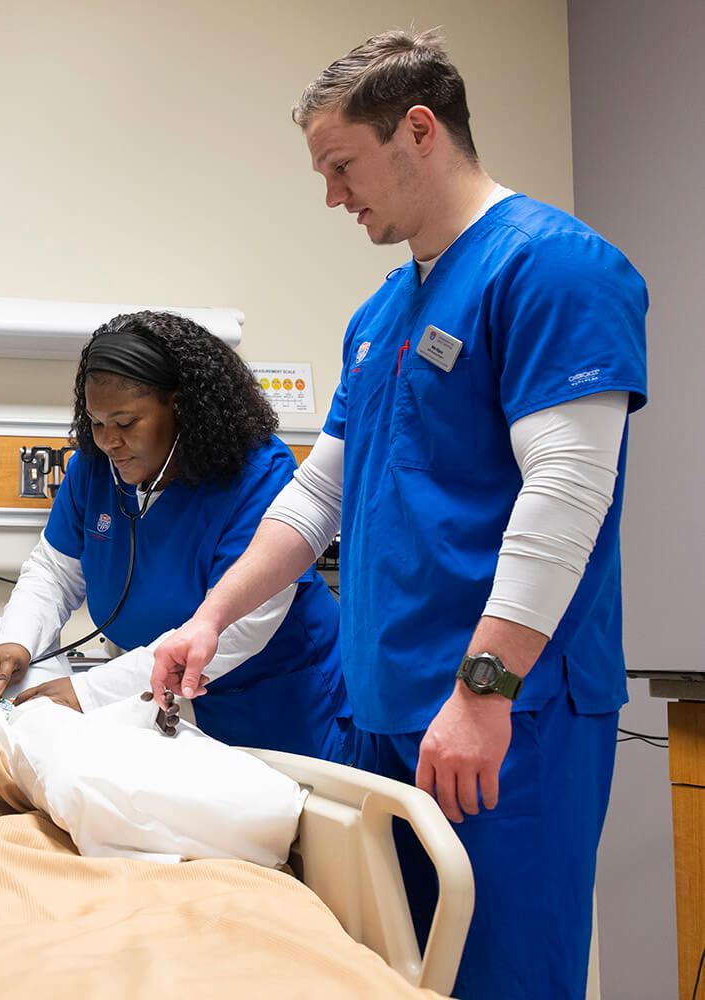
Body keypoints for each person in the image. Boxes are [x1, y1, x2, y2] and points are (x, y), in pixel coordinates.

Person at [151, 31, 647, 1000]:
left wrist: (484, 690)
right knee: (391, 978)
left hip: (508, 714)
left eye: (342, 164)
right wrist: (209, 618)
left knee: (505, 978)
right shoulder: (382, 313)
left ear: (418, 129)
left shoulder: (553, 269)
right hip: (387, 714)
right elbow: (318, 497)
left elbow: (566, 493)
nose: (333, 194)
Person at [0, 310, 349, 761]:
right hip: (154, 697)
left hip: (273, 702)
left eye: (126, 424)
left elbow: (239, 626)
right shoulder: (94, 469)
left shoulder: (256, 477)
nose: (108, 441)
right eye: (96, 422)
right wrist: (16, 638)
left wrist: (87, 692)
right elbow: (55, 570)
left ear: (182, 408)